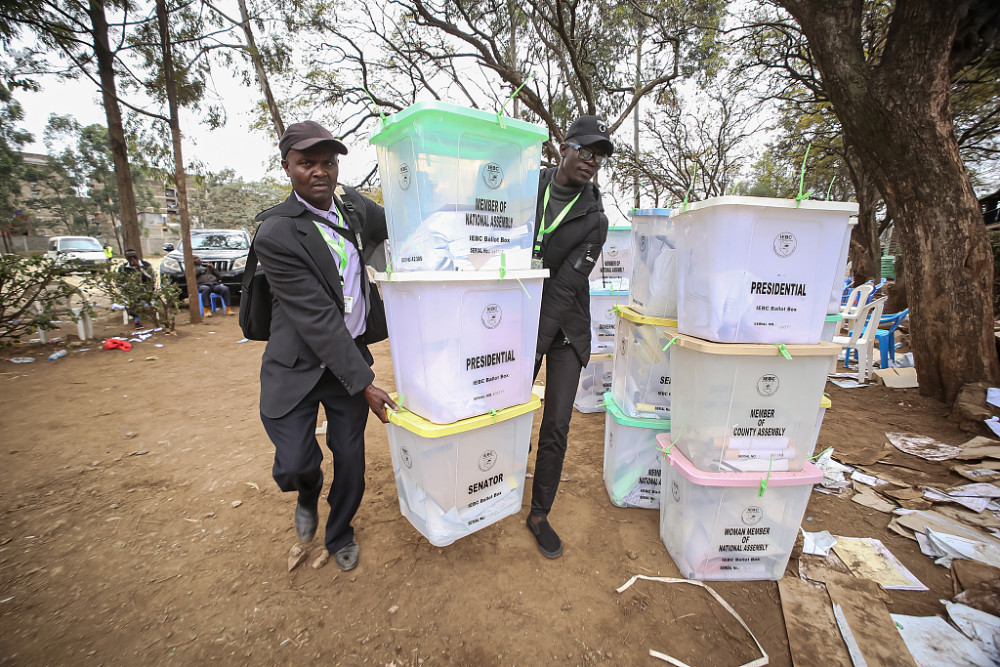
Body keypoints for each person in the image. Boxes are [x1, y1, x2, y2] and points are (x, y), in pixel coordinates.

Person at [253, 120, 397, 572]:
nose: (319, 172)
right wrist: (366, 383)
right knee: (295, 463)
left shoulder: (354, 210)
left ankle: (340, 533)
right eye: (306, 163)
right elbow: (315, 317)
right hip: (298, 362)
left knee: (350, 456)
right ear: (287, 167)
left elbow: (400, 219)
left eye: (328, 162)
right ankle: (308, 492)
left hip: (348, 353)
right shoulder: (276, 232)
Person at [526, 116, 613, 558]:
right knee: (504, 410)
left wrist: (532, 350)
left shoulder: (595, 220)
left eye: (600, 157)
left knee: (556, 423)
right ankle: (494, 487)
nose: (592, 161)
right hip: (517, 320)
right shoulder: (526, 186)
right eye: (586, 150)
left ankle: (539, 513)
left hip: (563, 330)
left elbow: (563, 291)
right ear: (565, 146)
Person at [117, 249, 154, 329]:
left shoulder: (145, 265)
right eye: (130, 257)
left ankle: (137, 318)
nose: (132, 259)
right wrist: (128, 285)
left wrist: (139, 268)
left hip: (145, 290)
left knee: (139, 290)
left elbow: (150, 279)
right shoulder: (123, 268)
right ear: (126, 258)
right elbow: (119, 283)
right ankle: (145, 307)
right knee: (134, 294)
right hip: (131, 292)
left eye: (134, 257)